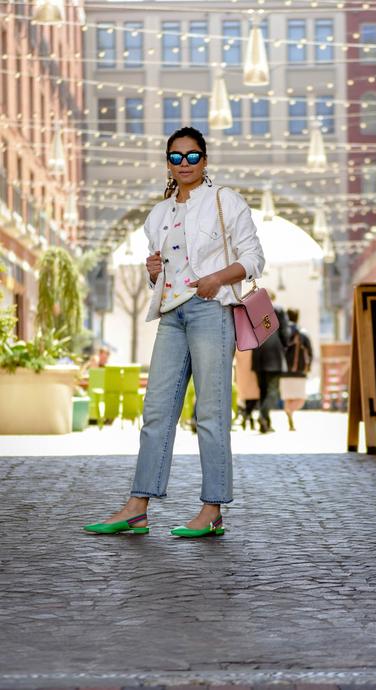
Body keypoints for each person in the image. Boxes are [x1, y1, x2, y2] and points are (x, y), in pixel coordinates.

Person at [84, 126, 265, 538]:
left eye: (193, 156)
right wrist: (154, 274)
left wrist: (217, 278)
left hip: (211, 313)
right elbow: (164, 272)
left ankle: (212, 509)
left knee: (211, 414)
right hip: (172, 316)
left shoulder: (225, 201)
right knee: (156, 413)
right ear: (168, 162)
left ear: (205, 159)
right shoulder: (158, 214)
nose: (185, 163)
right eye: (176, 157)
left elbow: (254, 258)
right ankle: (137, 507)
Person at [251, 299, 290, 433]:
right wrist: (284, 346)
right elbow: (286, 332)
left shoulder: (254, 308)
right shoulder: (278, 308)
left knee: (263, 391)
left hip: (258, 353)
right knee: (273, 391)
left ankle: (265, 423)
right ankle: (263, 415)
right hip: (274, 353)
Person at [280, 309, 313, 431]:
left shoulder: (283, 333)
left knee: (288, 397)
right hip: (299, 371)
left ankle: (290, 417)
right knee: (300, 399)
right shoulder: (303, 334)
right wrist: (308, 367)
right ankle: (290, 412)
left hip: (284, 371)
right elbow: (310, 352)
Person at [234, 349, 260, 430]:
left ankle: (247, 417)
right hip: (252, 374)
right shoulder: (254, 346)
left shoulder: (239, 347)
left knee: (247, 398)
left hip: (242, 375)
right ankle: (247, 415)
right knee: (253, 398)